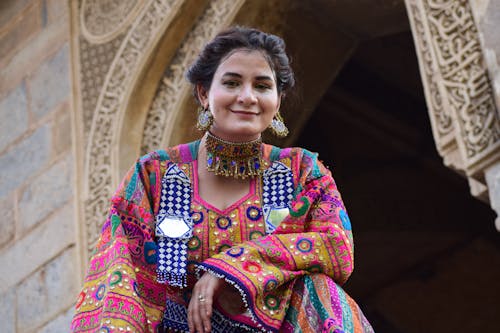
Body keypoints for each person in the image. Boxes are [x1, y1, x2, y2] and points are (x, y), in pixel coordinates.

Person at [71, 26, 374, 333]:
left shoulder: (302, 171)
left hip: (275, 324)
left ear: (278, 101)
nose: (247, 97)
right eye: (231, 83)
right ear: (204, 93)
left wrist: (233, 267)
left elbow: (335, 247)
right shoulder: (154, 176)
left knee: (319, 290)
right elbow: (122, 278)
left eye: (262, 86)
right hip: (181, 327)